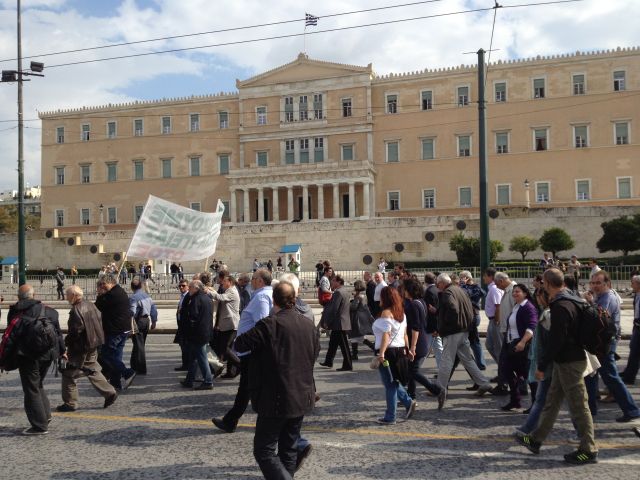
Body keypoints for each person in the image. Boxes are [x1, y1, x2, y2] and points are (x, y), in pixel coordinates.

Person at [234, 281, 319, 479]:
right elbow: (315, 352)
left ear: (274, 300)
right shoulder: (307, 324)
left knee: (264, 450)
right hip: (301, 393)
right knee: (288, 448)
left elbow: (240, 343)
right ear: (294, 299)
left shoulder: (269, 324)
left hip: (276, 396)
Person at [516, 268, 598, 465]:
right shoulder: (573, 298)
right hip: (566, 360)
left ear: (548, 283)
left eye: (543, 282)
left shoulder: (561, 306)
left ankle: (589, 449)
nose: (541, 285)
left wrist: (542, 365)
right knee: (552, 401)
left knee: (579, 405)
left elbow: (557, 340)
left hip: (570, 361)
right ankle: (536, 439)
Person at [212, 268, 273, 433]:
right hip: (251, 351)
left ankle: (268, 422)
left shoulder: (261, 297)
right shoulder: (265, 294)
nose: (251, 281)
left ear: (260, 281)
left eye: (253, 278)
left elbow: (263, 325)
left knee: (250, 388)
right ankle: (231, 420)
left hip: (252, 351)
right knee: (247, 387)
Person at [6, 285, 64, 435]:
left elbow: (9, 338)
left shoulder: (16, 313)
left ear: (18, 297)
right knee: (38, 384)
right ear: (34, 295)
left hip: (28, 356)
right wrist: (62, 352)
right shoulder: (50, 311)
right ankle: (46, 415)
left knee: (31, 388)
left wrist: (3, 359)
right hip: (48, 354)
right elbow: (58, 335)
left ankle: (39, 425)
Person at [584, 270, 640, 422]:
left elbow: (600, 319)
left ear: (607, 283)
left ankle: (631, 409)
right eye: (593, 283)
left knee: (610, 377)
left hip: (605, 343)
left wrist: (589, 303)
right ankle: (590, 409)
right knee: (590, 374)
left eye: (598, 283)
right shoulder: (601, 296)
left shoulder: (607, 297)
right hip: (598, 342)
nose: (595, 286)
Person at [435, 273, 492, 410]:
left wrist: (444, 326)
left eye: (438, 284)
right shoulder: (459, 290)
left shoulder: (448, 293)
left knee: (446, 360)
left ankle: (440, 389)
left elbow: (453, 309)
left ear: (442, 283)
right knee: (468, 360)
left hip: (453, 331)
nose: (437, 286)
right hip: (464, 330)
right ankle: (484, 383)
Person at [57, 286, 117, 412]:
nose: (66, 297)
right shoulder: (91, 305)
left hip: (81, 347)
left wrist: (66, 344)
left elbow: (75, 332)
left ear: (73, 295)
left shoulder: (76, 310)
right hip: (93, 343)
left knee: (68, 373)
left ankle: (70, 403)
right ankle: (109, 392)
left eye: (67, 295)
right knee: (92, 368)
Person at [372, 286, 416, 425]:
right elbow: (404, 334)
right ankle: (408, 402)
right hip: (400, 350)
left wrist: (381, 354)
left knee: (389, 384)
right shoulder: (401, 314)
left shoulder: (386, 313)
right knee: (394, 381)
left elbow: (386, 334)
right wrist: (408, 349)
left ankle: (391, 416)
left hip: (389, 352)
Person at [95, 274, 136, 391]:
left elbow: (98, 306)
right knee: (116, 357)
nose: (102, 286)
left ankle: (127, 372)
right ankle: (115, 383)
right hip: (122, 330)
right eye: (101, 285)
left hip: (115, 331)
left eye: (104, 284)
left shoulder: (112, 294)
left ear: (111, 282)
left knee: (106, 355)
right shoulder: (119, 291)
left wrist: (99, 294)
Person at [501, 284, 538, 411]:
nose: (515, 294)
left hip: (523, 346)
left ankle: (535, 404)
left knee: (529, 375)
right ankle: (515, 400)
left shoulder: (528, 307)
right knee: (507, 371)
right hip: (511, 345)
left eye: (518, 292)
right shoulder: (516, 307)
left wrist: (522, 342)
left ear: (525, 293)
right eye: (514, 292)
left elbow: (531, 327)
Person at [403, 277, 441, 399]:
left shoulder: (414, 305)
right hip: (421, 340)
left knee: (413, 372)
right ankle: (411, 396)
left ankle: (435, 389)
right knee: (411, 370)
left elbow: (415, 327)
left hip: (417, 342)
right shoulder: (420, 301)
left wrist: (412, 347)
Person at [179, 280, 214, 390]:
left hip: (198, 334)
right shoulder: (207, 298)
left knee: (202, 358)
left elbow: (192, 317)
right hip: (205, 332)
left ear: (196, 288)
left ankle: (208, 381)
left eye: (190, 287)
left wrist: (189, 330)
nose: (188, 289)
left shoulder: (196, 299)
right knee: (194, 358)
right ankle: (189, 380)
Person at [209, 274, 241, 379]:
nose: (222, 283)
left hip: (231, 324)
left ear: (230, 282)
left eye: (224, 281)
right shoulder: (229, 290)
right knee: (227, 348)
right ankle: (231, 371)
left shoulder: (232, 291)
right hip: (226, 324)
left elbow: (221, 297)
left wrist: (209, 292)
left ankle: (239, 364)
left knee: (225, 348)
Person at [319, 275, 352, 371]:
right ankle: (328, 361)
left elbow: (334, 309)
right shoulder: (345, 291)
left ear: (338, 282)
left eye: (333, 281)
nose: (332, 283)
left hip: (339, 323)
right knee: (333, 343)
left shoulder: (338, 293)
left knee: (344, 346)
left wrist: (327, 322)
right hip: (342, 322)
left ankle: (348, 365)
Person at [129, 276, 157, 375]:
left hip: (138, 320)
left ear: (132, 287)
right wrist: (154, 321)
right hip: (146, 320)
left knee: (138, 344)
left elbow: (132, 311)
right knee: (140, 343)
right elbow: (153, 309)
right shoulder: (147, 296)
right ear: (141, 286)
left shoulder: (133, 297)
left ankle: (140, 367)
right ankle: (134, 364)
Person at [459, 271, 486, 372]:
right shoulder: (473, 287)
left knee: (474, 341)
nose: (460, 279)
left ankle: (480, 364)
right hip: (470, 316)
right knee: (467, 340)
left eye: (461, 278)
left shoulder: (473, 288)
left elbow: (466, 294)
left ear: (466, 278)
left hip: (472, 317)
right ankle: (475, 363)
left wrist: (463, 284)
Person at [483, 267, 504, 387]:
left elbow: (498, 306)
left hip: (495, 321)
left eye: (485, 275)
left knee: (498, 349)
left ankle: (504, 372)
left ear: (490, 276)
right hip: (492, 321)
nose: (483, 278)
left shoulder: (494, 289)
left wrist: (496, 321)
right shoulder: (492, 288)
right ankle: (503, 370)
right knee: (490, 346)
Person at [622, 275, 640, 385]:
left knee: (635, 352)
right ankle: (628, 372)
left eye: (633, 283)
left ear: (638, 284)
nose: (631, 285)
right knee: (633, 350)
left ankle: (629, 377)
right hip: (636, 325)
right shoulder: (637, 295)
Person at [348, 280, 373, 361]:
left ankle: (355, 354)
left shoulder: (359, 295)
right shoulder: (362, 294)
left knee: (356, 335)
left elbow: (353, 307)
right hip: (360, 316)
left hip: (356, 317)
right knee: (359, 337)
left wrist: (350, 302)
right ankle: (355, 354)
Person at [423, 272, 442, 367]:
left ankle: (414, 370)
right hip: (436, 324)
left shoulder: (429, 292)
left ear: (425, 281)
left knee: (425, 348)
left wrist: (434, 328)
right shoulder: (437, 290)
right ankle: (442, 369)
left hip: (432, 325)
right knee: (437, 348)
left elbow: (430, 311)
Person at [173, 279, 190, 371]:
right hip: (181, 324)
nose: (181, 287)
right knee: (182, 345)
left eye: (183, 285)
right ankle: (185, 364)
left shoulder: (188, 296)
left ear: (188, 286)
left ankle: (186, 365)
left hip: (185, 325)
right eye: (180, 286)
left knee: (185, 346)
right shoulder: (182, 296)